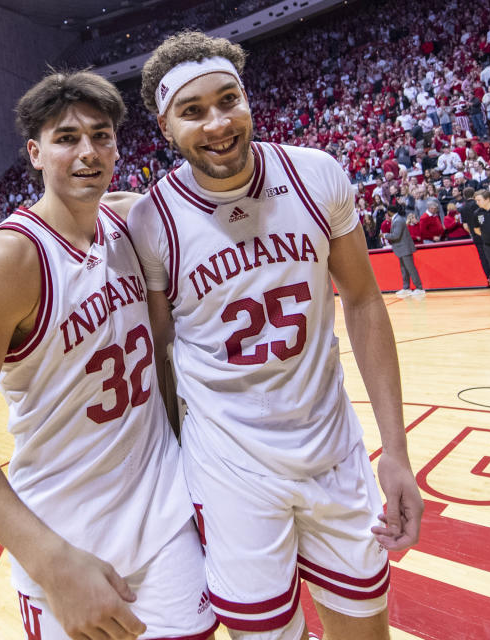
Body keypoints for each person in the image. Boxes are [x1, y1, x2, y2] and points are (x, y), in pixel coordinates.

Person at [130, 32, 423, 640]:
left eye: (228, 99)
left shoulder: (316, 174)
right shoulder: (151, 219)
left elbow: (365, 301)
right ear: (165, 127)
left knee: (367, 631)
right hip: (230, 467)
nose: (217, 123)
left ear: (246, 98)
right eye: (192, 111)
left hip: (333, 450)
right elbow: (158, 352)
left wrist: (395, 451)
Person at [0, 70, 216, 640]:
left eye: (101, 135)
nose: (88, 152)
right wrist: (49, 561)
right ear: (35, 153)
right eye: (66, 138)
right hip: (67, 540)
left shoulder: (133, 223)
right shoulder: (8, 261)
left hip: (165, 521)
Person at [388, 206, 425, 296]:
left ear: (389, 212)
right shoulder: (397, 219)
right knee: (404, 269)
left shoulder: (398, 220)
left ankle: (419, 288)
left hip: (405, 248)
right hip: (401, 248)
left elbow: (396, 235)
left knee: (411, 268)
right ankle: (406, 287)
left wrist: (385, 235)